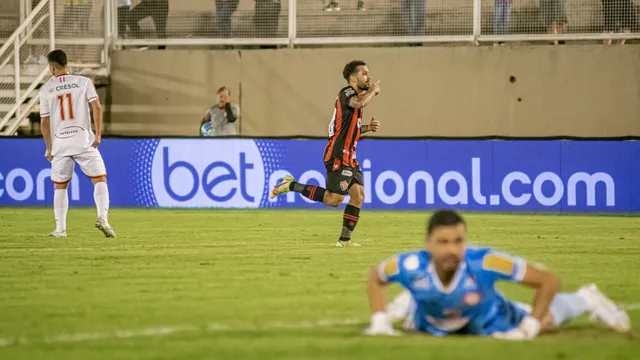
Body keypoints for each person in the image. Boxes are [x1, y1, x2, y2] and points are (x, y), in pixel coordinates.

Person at [364, 209, 631, 338]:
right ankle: (410, 302)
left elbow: (549, 280)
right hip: (432, 322)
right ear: (427, 243)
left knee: (546, 323)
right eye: (443, 242)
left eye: (458, 241)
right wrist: (378, 321)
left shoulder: (487, 262)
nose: (452, 249)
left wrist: (529, 328)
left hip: (488, 319)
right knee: (417, 323)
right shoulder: (410, 265)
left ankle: (587, 298)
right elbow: (376, 276)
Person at [269, 60, 381, 247]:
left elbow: (349, 131)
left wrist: (367, 127)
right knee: (334, 199)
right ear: (353, 78)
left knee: (358, 195)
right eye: (365, 73)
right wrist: (373, 92)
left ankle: (344, 240)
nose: (368, 76)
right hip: (337, 154)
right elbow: (360, 102)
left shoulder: (353, 101)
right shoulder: (347, 93)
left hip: (349, 156)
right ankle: (290, 185)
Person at [39, 49, 116, 238]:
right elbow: (96, 106)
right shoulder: (84, 82)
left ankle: (60, 230)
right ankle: (103, 218)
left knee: (60, 186)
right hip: (83, 140)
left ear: (53, 67)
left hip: (61, 143)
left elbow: (44, 122)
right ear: (66, 64)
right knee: (99, 179)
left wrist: (49, 147)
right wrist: (98, 134)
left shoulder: (46, 89)